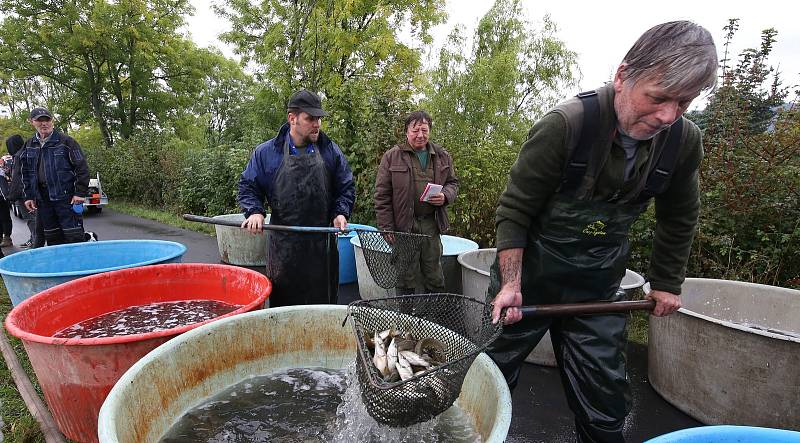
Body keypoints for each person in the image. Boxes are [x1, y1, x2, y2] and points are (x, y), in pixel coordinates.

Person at [487, 21, 717, 442]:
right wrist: (511, 284)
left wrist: (666, 283)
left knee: (605, 403)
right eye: (659, 97)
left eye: (683, 103)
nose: (668, 115)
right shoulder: (566, 126)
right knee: (488, 376)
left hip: (598, 286)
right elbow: (515, 209)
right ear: (624, 75)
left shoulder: (682, 143)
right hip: (529, 281)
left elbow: (679, 216)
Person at [238, 89, 355, 307]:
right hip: (284, 249)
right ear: (292, 118)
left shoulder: (330, 151)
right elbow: (248, 186)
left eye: (319, 119)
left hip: (322, 248)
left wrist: (340, 212)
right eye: (310, 118)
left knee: (322, 310)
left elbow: (345, 187)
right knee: (285, 311)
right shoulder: (266, 153)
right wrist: (254, 211)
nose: (317, 124)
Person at [374, 111, 459, 294]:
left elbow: (453, 183)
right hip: (404, 225)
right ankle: (406, 319)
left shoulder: (442, 155)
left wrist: (445, 195)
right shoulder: (392, 157)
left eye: (424, 130)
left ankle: (431, 319)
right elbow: (382, 196)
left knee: (434, 275)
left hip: (431, 223)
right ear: (406, 132)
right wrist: (386, 227)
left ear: (429, 131)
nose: (420, 135)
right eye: (415, 130)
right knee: (405, 276)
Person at [21, 107, 90, 245]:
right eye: (39, 120)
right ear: (32, 122)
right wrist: (28, 196)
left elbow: (82, 168)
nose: (44, 123)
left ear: (52, 121)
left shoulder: (67, 142)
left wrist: (80, 193)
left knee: (74, 235)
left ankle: (78, 265)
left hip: (67, 199)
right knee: (53, 238)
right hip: (43, 199)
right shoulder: (29, 145)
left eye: (47, 120)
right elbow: (25, 172)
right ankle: (60, 266)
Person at [4, 134, 38, 248]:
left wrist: (11, 195)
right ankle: (34, 238)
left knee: (31, 218)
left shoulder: (19, 156)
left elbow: (19, 178)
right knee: (33, 217)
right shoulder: (25, 154)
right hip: (27, 192)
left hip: (23, 194)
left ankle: (36, 240)